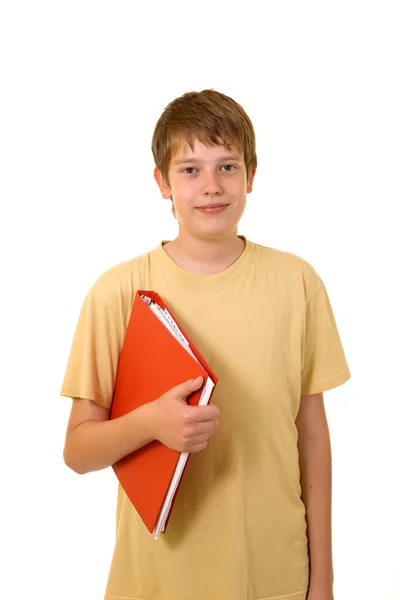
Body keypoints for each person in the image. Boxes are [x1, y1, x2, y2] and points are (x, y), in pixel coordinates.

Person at [61, 89, 351, 600]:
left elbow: (312, 437)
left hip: (274, 573)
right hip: (155, 580)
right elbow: (78, 452)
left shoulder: (297, 282)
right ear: (162, 183)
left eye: (228, 166)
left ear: (252, 175)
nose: (212, 187)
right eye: (190, 170)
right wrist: (151, 423)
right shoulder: (119, 291)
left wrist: (322, 578)